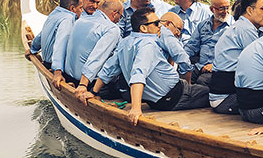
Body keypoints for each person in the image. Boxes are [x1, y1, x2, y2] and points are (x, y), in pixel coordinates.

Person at [81, 8, 209, 122]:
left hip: (155, 101)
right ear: (143, 28)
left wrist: (93, 92)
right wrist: (136, 109)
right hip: (176, 96)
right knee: (212, 95)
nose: (160, 26)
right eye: (156, 23)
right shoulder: (148, 45)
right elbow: (138, 74)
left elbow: (110, 68)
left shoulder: (125, 42)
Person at [209, 0, 263, 113]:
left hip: (222, 94)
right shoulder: (245, 29)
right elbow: (261, 63)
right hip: (225, 99)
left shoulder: (240, 26)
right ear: (250, 10)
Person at [58, 0, 122, 92]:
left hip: (67, 76)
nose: (119, 20)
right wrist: (83, 84)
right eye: (120, 16)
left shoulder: (80, 20)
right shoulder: (112, 29)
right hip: (86, 83)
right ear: (114, 14)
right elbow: (97, 57)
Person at [28, 0, 82, 77]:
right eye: (80, 8)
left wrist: (33, 49)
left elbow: (41, 35)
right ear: (72, 8)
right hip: (56, 68)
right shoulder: (68, 19)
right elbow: (61, 44)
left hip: (47, 63)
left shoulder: (54, 14)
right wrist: (57, 71)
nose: (82, 11)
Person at [182, 0, 232, 87]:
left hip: (218, 68)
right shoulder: (203, 25)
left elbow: (233, 54)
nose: (225, 12)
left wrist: (215, 65)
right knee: (181, 78)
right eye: (221, 8)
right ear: (212, 9)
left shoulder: (233, 28)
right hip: (200, 66)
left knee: (202, 82)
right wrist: (181, 59)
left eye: (228, 8)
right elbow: (191, 46)